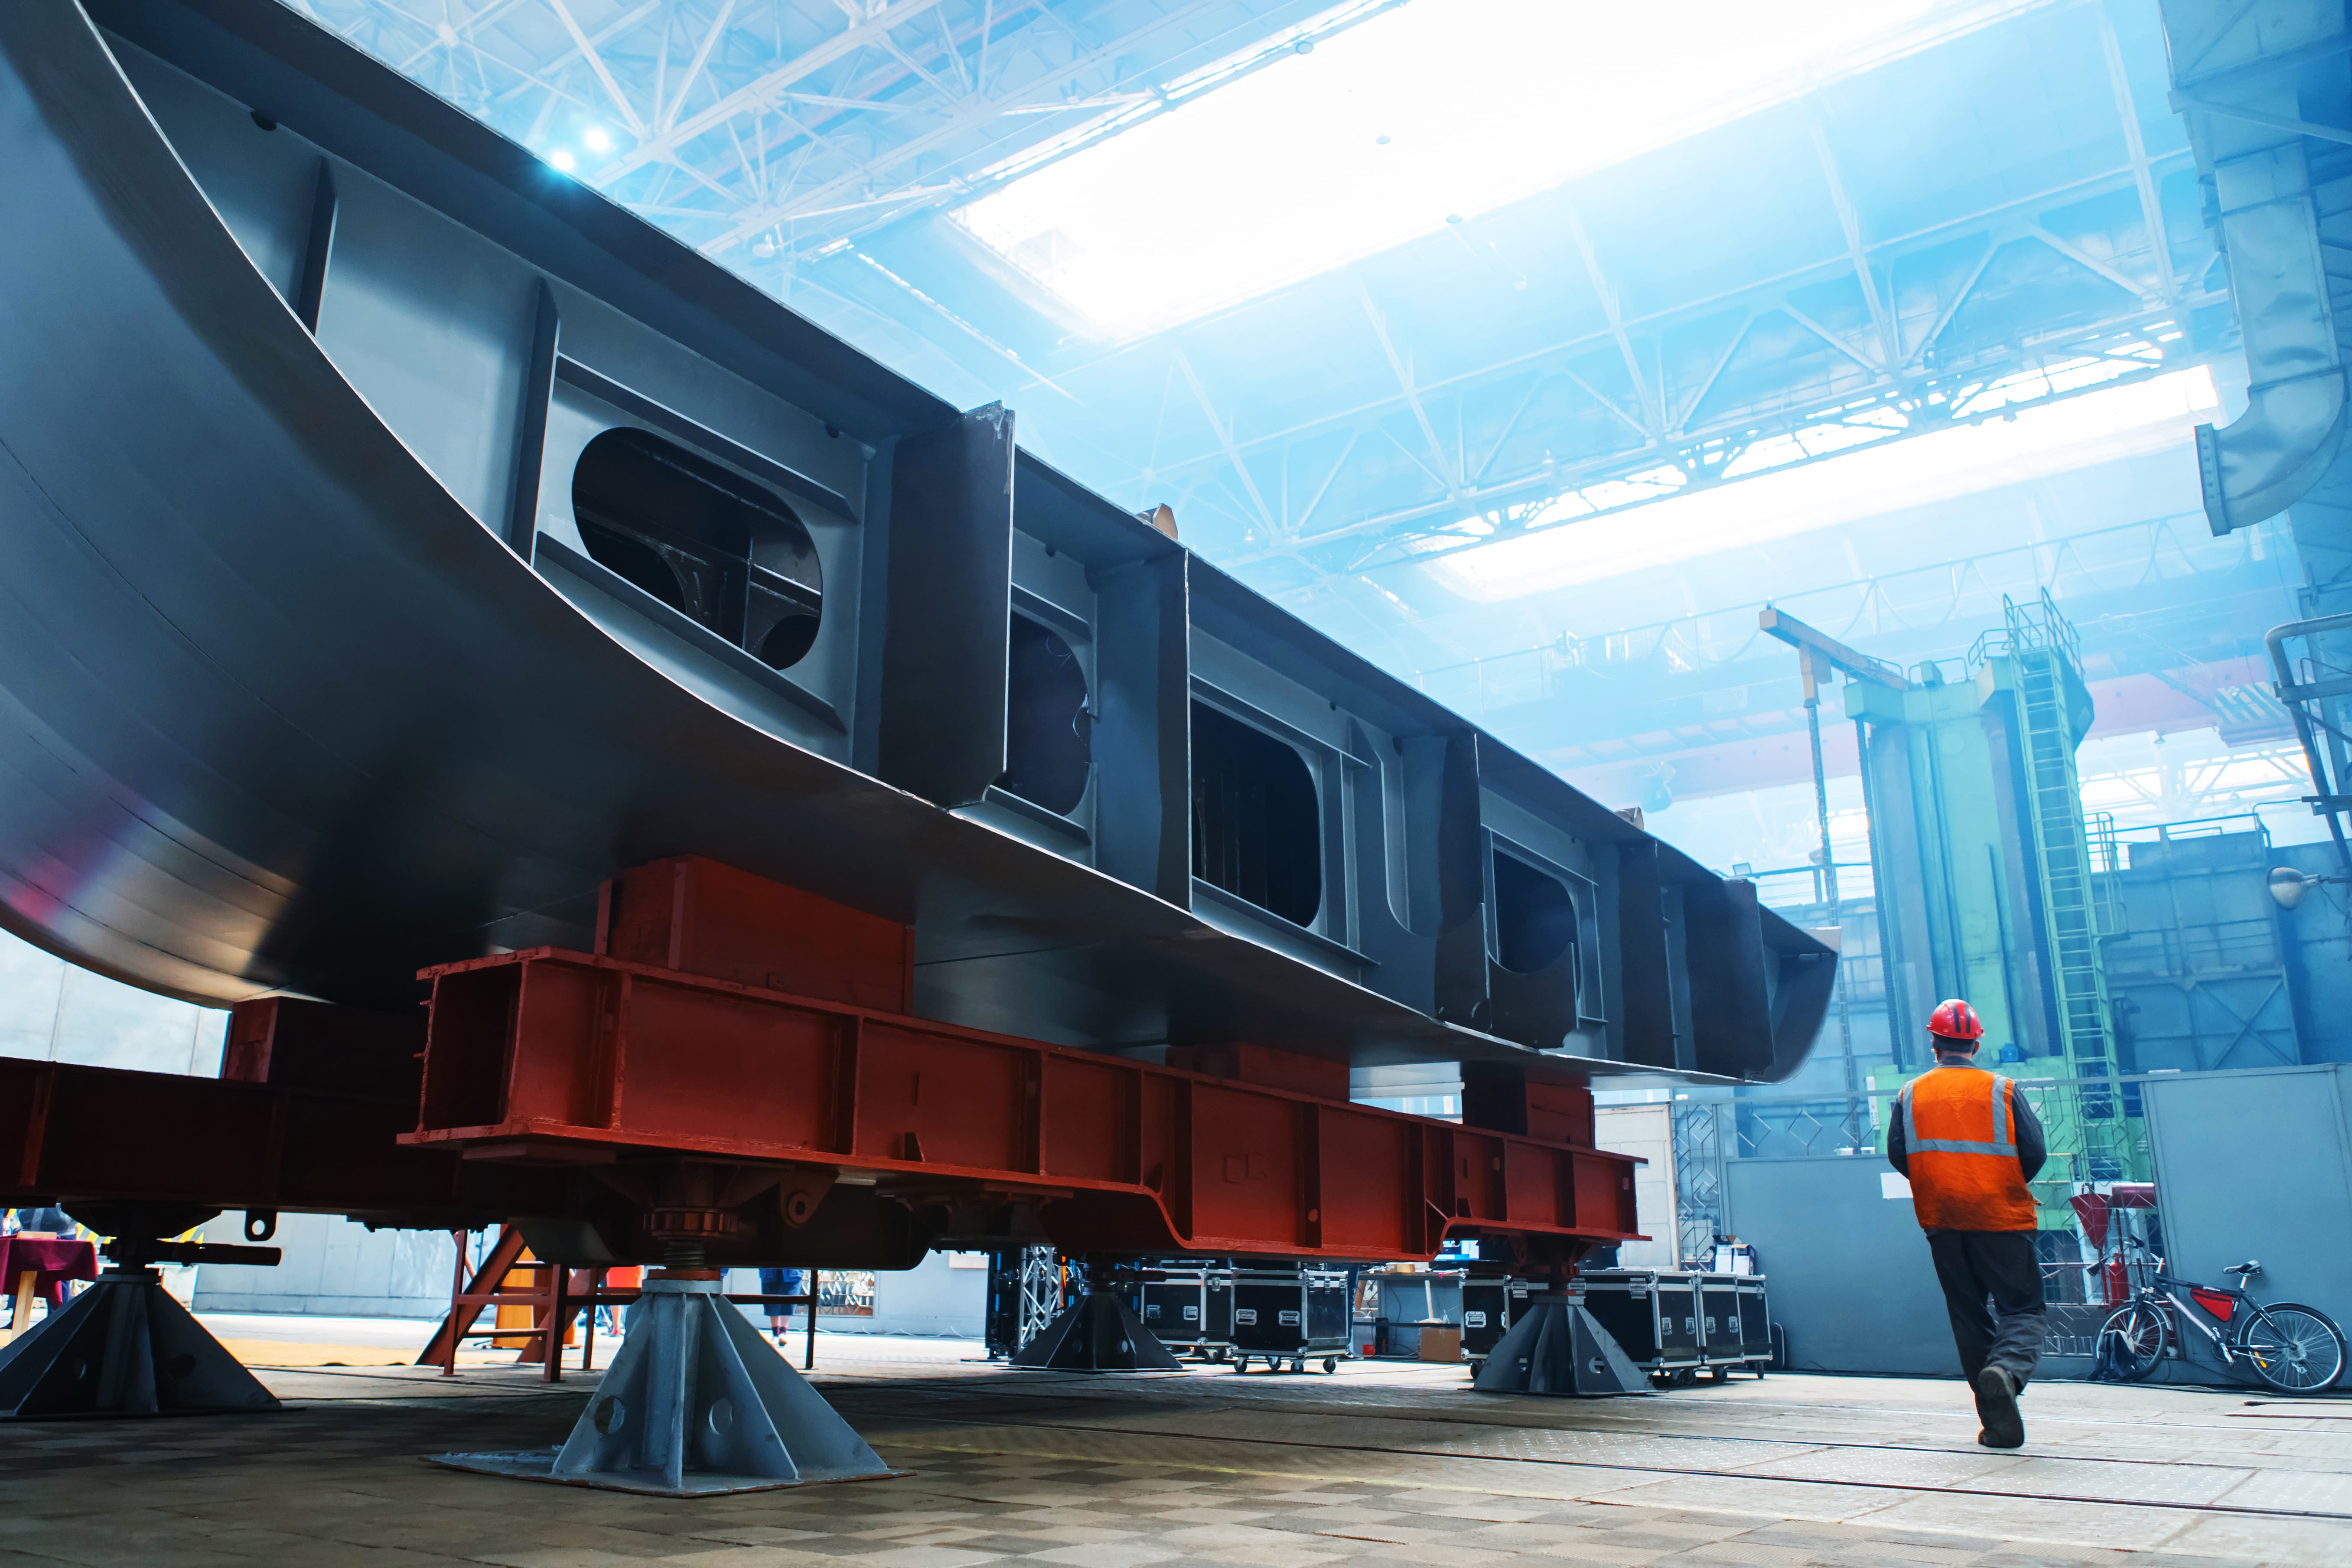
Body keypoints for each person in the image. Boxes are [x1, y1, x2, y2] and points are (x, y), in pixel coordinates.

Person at [1887, 998, 2048, 1449]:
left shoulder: (1910, 1093)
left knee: (1968, 1315)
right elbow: (2033, 1151)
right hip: (2001, 1216)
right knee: (2022, 1308)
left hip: (1942, 1219)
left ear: (1934, 1042)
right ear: (1975, 1043)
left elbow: (1898, 1154)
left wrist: (1942, 1183)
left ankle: (1996, 1422)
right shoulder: (2001, 1088)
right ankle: (2006, 1373)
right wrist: (1995, 1183)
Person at [759, 1265, 806, 1346]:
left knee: (789, 1300)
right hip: (770, 1269)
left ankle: (783, 1333)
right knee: (771, 1301)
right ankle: (775, 1334)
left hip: (792, 1270)